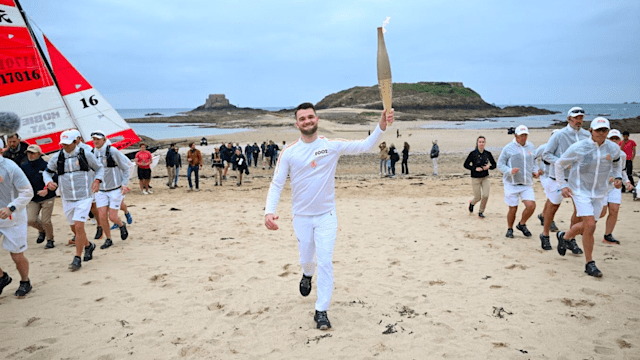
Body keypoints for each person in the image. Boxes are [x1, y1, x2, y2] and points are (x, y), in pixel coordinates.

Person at [264, 102, 394, 330]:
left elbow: (364, 146)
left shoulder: (331, 145)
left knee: (324, 261)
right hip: (301, 217)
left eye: (310, 117)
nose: (307, 121)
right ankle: (306, 274)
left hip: (326, 215)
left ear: (317, 119)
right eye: (302, 118)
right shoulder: (289, 152)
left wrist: (380, 127)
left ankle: (321, 310)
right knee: (307, 258)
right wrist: (269, 212)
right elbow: (276, 184)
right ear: (297, 124)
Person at [554, 117, 622, 277]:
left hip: (600, 192)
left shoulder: (613, 148)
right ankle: (589, 263)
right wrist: (562, 185)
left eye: (604, 130)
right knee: (590, 225)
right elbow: (559, 164)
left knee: (587, 225)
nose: (602, 133)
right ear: (591, 131)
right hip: (580, 191)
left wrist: (618, 177)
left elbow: (617, 163)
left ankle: (565, 236)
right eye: (598, 130)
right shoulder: (579, 147)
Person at [43, 129, 104, 271]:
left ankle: (77, 258)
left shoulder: (86, 154)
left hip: (84, 196)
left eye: (67, 143)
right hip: (67, 197)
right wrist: (48, 182)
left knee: (79, 226)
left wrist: (97, 180)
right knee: (74, 227)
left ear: (76, 141)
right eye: (62, 143)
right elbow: (47, 171)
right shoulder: (57, 157)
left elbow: (99, 168)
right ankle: (89, 246)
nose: (64, 146)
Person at [540, 107, 590, 252]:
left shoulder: (587, 135)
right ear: (569, 119)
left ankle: (570, 238)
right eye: (576, 118)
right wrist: (563, 163)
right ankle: (545, 234)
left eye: (581, 118)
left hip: (578, 179)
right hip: (557, 178)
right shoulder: (559, 135)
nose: (579, 120)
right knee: (553, 206)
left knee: (579, 210)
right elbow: (546, 155)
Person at [0, 137, 34, 298]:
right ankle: (2, 278)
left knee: (16, 255)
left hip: (13, 217)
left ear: (2, 150)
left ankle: (25, 281)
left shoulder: (10, 167)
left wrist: (11, 207)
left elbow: (28, 192)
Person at [497, 125, 541, 238]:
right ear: (516, 136)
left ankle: (522, 224)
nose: (524, 137)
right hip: (511, 183)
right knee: (513, 208)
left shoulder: (531, 146)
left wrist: (535, 171)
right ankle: (510, 228)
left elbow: (534, 161)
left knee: (531, 206)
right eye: (521, 135)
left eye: (525, 135)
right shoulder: (508, 148)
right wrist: (509, 170)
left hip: (526, 183)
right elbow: (500, 164)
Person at [91, 131, 130, 249]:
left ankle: (121, 225)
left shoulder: (112, 151)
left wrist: (124, 184)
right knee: (102, 217)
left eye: (98, 139)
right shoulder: (91, 153)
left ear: (104, 140)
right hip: (101, 190)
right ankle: (109, 239)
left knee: (112, 217)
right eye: (94, 139)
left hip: (115, 189)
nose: (96, 141)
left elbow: (125, 168)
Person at [599, 130, 633, 245]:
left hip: (615, 186)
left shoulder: (622, 155)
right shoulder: (599, 153)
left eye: (616, 139)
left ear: (619, 140)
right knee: (601, 213)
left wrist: (627, 182)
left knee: (614, 209)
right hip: (601, 187)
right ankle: (582, 226)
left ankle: (607, 236)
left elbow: (622, 171)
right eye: (611, 138)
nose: (614, 141)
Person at [21, 145, 56, 249]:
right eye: (28, 153)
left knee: (46, 221)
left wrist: (47, 188)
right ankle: (42, 231)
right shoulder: (24, 166)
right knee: (30, 220)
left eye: (33, 153)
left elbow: (55, 179)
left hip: (48, 197)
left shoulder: (47, 165)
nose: (30, 155)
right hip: (33, 198)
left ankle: (50, 240)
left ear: (39, 154)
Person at [463, 136, 497, 219]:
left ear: (485, 143)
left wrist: (489, 167)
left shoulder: (487, 153)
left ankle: (481, 212)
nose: (481, 143)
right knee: (477, 197)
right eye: (480, 142)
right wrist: (474, 168)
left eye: (483, 142)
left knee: (485, 195)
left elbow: (494, 165)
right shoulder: (473, 154)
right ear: (477, 143)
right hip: (475, 178)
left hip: (485, 177)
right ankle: (472, 204)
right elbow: (465, 165)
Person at [534, 129, 560, 233]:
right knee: (551, 198)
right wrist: (536, 169)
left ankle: (543, 215)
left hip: (557, 177)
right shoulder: (543, 148)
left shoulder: (563, 150)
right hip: (545, 176)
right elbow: (533, 157)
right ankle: (549, 220)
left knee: (551, 198)